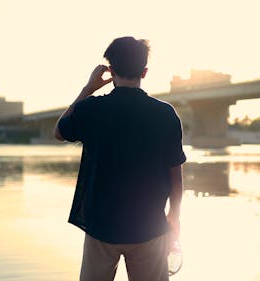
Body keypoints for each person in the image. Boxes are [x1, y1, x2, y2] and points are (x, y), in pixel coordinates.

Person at [53, 36, 186, 281]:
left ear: (111, 70)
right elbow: (176, 177)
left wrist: (88, 89)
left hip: (100, 227)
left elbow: (59, 132)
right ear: (144, 72)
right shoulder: (165, 114)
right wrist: (174, 217)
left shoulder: (91, 109)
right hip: (150, 227)